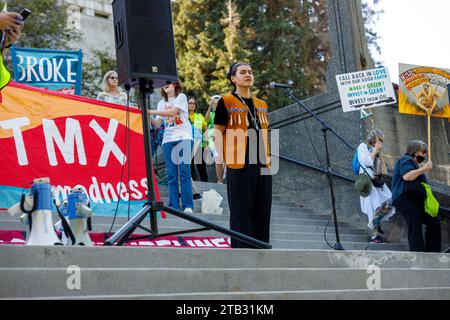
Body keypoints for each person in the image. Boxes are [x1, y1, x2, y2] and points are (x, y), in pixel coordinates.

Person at [214, 62, 272, 248]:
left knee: (262, 209)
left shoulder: (262, 104)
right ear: (233, 78)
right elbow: (217, 132)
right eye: (243, 72)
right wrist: (221, 160)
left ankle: (260, 250)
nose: (248, 75)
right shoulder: (226, 101)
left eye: (250, 71)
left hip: (262, 161)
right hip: (238, 160)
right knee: (240, 210)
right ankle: (240, 252)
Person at [149, 81, 194, 213]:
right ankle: (174, 205)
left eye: (168, 82)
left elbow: (174, 112)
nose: (165, 84)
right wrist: (149, 116)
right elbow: (158, 124)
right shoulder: (161, 103)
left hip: (184, 137)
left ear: (175, 84)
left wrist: (151, 110)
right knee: (171, 174)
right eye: (163, 83)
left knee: (184, 172)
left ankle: (188, 205)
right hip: (168, 139)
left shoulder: (182, 97)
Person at [391, 140, 441, 252]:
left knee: (433, 222)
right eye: (422, 152)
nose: (424, 155)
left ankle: (432, 252)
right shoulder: (406, 159)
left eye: (425, 152)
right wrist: (424, 169)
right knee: (415, 221)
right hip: (404, 197)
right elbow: (407, 177)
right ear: (415, 151)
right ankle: (417, 252)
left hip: (414, 198)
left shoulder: (414, 164)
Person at [357, 129, 395, 243]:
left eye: (382, 141)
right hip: (367, 181)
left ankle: (375, 222)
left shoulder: (374, 149)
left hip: (376, 180)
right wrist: (375, 151)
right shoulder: (362, 146)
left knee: (391, 199)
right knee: (371, 207)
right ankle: (374, 236)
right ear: (374, 138)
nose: (381, 143)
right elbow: (367, 161)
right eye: (380, 140)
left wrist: (377, 151)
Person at [206, 95, 226, 183]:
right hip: (212, 137)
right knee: (218, 160)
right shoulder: (211, 114)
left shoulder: (224, 113)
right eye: (214, 103)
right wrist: (210, 106)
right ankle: (220, 181)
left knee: (225, 159)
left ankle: (221, 178)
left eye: (218, 103)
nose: (216, 104)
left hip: (224, 137)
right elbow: (205, 121)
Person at [188, 96, 208, 182]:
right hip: (187, 143)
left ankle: (205, 184)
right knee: (189, 165)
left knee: (201, 165)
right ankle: (192, 184)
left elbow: (205, 130)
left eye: (194, 103)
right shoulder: (183, 116)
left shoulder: (200, 116)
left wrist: (206, 143)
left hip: (199, 144)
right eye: (190, 103)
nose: (192, 105)